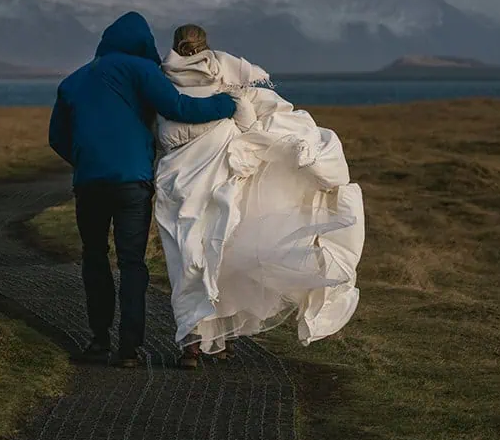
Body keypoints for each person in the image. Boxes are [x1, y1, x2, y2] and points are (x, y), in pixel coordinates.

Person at [154, 23, 365, 370]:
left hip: (179, 187)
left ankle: (194, 345)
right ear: (206, 48)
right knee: (216, 256)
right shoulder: (229, 86)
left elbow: (158, 138)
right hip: (218, 184)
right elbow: (250, 128)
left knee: (187, 262)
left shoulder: (160, 90)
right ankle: (214, 343)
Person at [49, 11, 237, 368]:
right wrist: (224, 104)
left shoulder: (74, 80)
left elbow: (56, 136)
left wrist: (85, 160)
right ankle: (130, 349)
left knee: (94, 258)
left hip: (89, 183)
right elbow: (176, 107)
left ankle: (99, 340)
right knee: (132, 262)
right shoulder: (140, 70)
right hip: (131, 182)